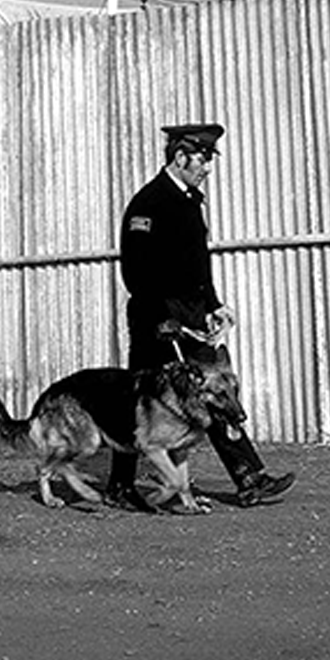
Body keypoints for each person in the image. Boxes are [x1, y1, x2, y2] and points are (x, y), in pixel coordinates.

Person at [106, 122, 296, 510]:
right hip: (156, 318)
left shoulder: (189, 200)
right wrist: (162, 316)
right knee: (141, 399)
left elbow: (196, 264)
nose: (208, 167)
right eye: (203, 159)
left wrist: (213, 305)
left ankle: (249, 478)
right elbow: (136, 272)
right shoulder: (149, 204)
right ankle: (120, 486)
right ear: (180, 157)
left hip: (189, 314)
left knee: (217, 391)